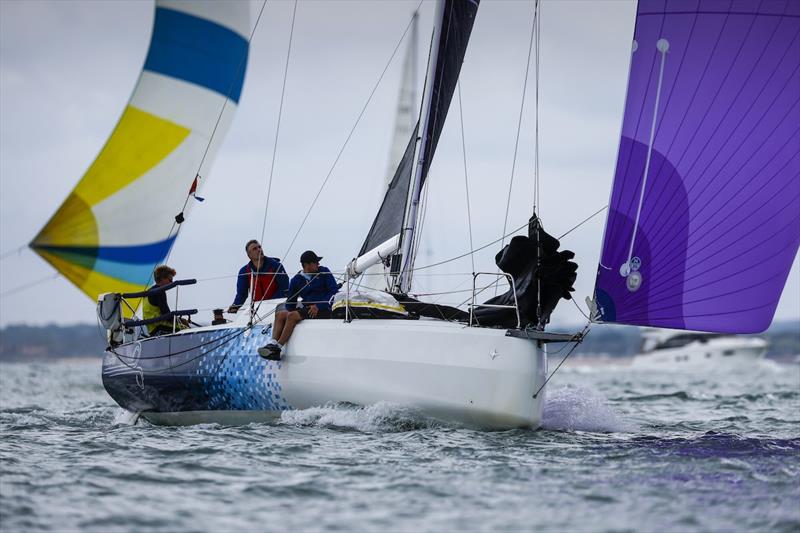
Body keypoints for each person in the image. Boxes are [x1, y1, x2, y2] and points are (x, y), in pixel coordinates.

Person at [258, 250, 338, 360]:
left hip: (323, 309)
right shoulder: (296, 280)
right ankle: (272, 343)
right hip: (308, 309)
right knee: (280, 315)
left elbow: (333, 291)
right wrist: (292, 308)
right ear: (307, 265)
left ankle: (278, 348)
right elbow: (291, 303)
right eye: (316, 262)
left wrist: (318, 306)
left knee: (292, 316)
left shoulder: (324, 272)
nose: (318, 264)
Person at [228, 239, 288, 313]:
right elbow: (242, 294)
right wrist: (235, 306)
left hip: (277, 305)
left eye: (259, 247)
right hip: (257, 309)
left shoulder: (276, 266)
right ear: (249, 255)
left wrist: (269, 303)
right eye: (255, 249)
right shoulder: (244, 271)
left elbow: (285, 288)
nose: (259, 250)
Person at [142, 265, 189, 336]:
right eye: (170, 280)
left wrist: (178, 320)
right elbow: (167, 315)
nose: (172, 282)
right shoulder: (160, 292)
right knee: (188, 330)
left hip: (152, 330)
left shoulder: (148, 291)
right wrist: (180, 321)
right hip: (162, 328)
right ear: (162, 279)